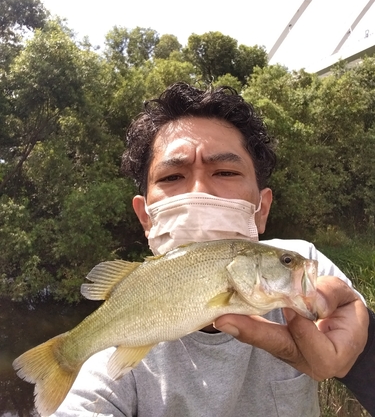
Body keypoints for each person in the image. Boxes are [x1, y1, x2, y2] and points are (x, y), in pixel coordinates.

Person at [52, 82, 375, 417]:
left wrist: (365, 352)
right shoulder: (111, 356)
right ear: (144, 217)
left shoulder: (298, 263)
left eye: (225, 171)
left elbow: (348, 337)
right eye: (172, 177)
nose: (200, 190)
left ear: (261, 209)